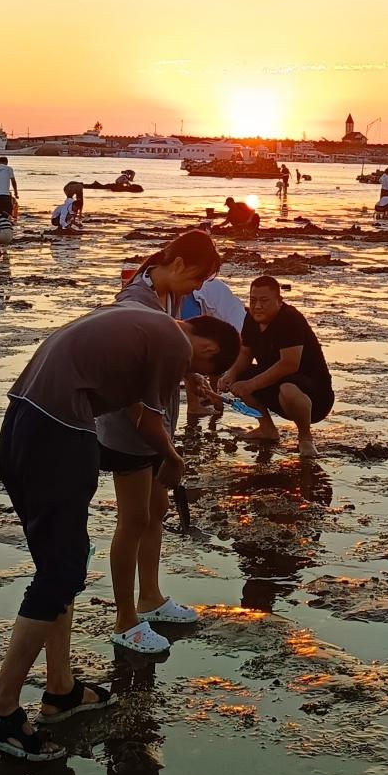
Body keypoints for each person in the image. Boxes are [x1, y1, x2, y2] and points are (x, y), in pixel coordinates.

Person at [0, 301, 238, 761]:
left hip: (22, 421)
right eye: (202, 365)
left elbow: (127, 385)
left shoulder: (143, 320)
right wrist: (173, 460)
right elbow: (150, 419)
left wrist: (181, 378)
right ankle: (0, 711)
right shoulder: (173, 341)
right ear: (208, 345)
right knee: (61, 571)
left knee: (61, 562)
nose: (190, 372)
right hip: (57, 432)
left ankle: (60, 689)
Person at [99, 233, 242, 653]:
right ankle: (126, 619)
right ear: (177, 264)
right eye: (197, 279)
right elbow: (130, 387)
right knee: (132, 519)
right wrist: (169, 452)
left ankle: (151, 597)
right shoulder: (135, 304)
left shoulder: (169, 298)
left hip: (158, 420)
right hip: (131, 427)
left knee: (156, 509)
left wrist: (192, 377)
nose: (198, 290)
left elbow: (172, 351)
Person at [221, 275, 334, 458]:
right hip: (276, 385)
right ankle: (266, 428)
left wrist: (252, 384)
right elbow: (245, 353)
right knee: (241, 377)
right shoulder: (251, 318)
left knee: (287, 388)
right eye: (253, 300)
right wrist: (231, 374)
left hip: (313, 394)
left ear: (279, 301)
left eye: (264, 301)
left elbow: (289, 364)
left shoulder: (290, 319)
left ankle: (305, 438)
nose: (257, 306)